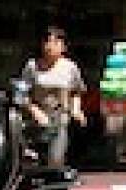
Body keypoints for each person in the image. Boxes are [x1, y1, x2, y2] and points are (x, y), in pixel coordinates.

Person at [19, 24, 87, 169]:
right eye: (47, 41)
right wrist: (35, 111)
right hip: (36, 120)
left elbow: (76, 91)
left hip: (60, 118)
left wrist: (76, 109)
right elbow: (22, 94)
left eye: (56, 42)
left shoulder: (70, 67)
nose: (50, 46)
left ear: (63, 47)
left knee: (55, 159)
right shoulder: (32, 66)